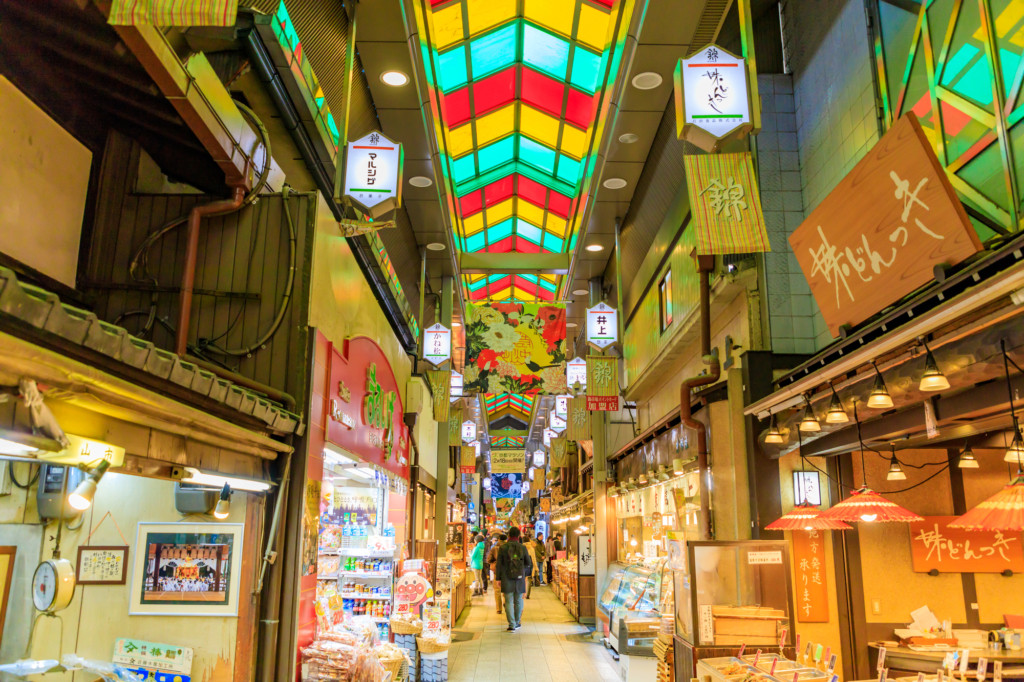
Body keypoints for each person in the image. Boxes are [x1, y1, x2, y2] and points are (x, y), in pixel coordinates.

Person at [496, 526, 533, 631]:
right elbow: (528, 563)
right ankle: (517, 622)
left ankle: (511, 624)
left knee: (508, 600)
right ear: (518, 536)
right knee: (518, 600)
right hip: (519, 577)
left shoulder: (503, 548)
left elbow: (499, 564)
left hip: (506, 577)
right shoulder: (523, 547)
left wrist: (498, 578)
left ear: (508, 535)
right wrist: (523, 573)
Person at [486, 534, 506, 614]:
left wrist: (494, 562)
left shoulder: (494, 548)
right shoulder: (509, 548)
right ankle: (505, 602)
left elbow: (488, 559)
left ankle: (498, 609)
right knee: (506, 589)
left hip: (496, 571)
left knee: (497, 590)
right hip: (507, 571)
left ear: (499, 539)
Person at [523, 533, 538, 598]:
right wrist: (536, 567)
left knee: (522, 579)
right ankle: (527, 594)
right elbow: (534, 559)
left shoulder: (521, 548)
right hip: (530, 566)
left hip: (522, 566)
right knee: (529, 579)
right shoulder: (531, 548)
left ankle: (523, 593)